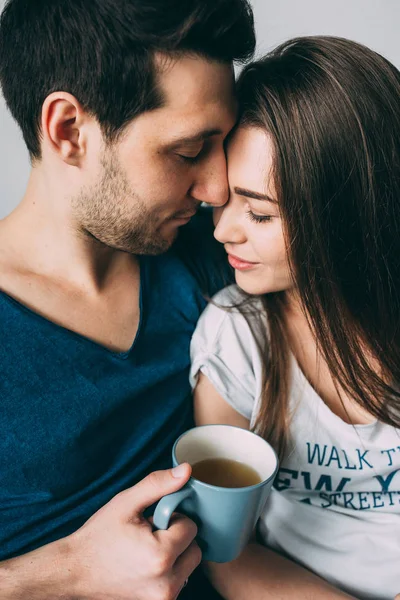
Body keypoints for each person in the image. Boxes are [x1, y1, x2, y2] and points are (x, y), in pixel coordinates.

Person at [0, 1, 255, 598]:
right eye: (189, 151)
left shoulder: (216, 253)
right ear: (68, 131)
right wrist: (69, 572)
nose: (219, 187)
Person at [191, 36, 400, 600]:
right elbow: (225, 552)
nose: (222, 231)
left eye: (258, 212)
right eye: (224, 202)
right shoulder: (236, 339)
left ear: (348, 211)